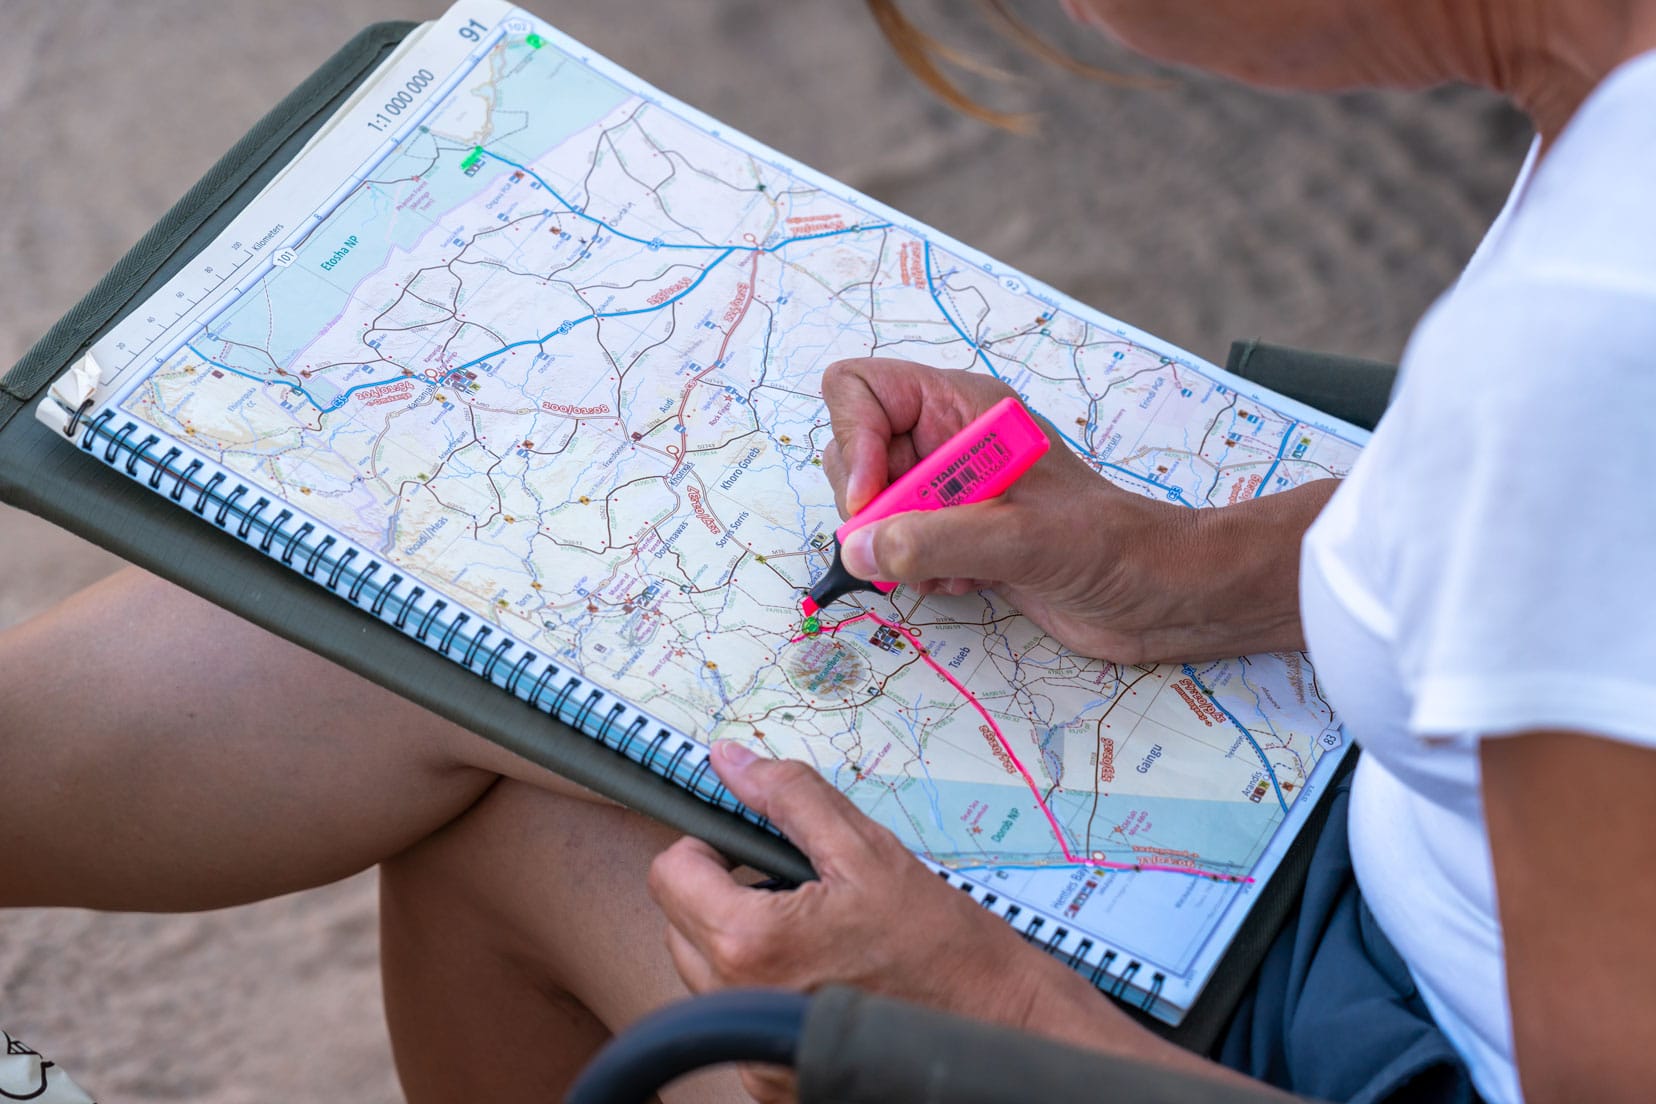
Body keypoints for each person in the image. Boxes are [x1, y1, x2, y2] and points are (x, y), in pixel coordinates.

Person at [4, 1, 1654, 1101]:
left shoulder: (1589, 354)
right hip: (1415, 869)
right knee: (463, 627)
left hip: (1397, 1019)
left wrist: (999, 1016)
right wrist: (1182, 564)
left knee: (535, 837)